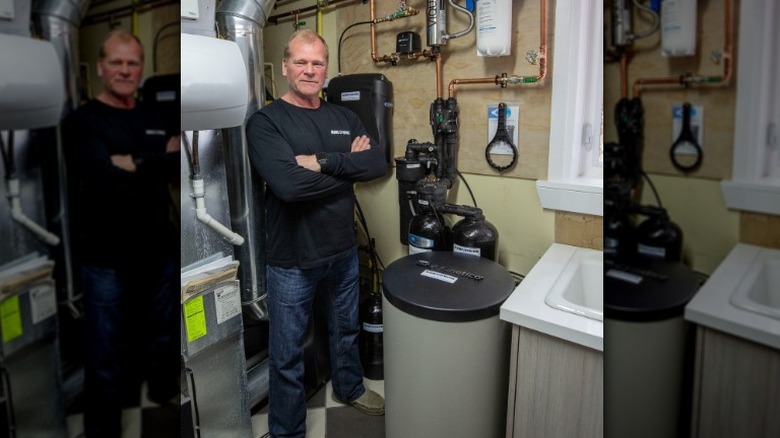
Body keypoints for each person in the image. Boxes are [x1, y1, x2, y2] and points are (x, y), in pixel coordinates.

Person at [245, 29, 387, 437]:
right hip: (292, 259)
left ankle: (349, 387)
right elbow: (288, 187)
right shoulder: (267, 121)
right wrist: (347, 169)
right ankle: (287, 430)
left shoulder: (342, 116)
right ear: (286, 66)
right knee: (286, 354)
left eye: (318, 62)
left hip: (342, 250)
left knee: (347, 330)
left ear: (327, 69)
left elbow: (376, 164)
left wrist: (321, 161)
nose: (310, 70)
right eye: (302, 62)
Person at [61, 29, 179, 437]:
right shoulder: (82, 121)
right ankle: (104, 428)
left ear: (140, 68)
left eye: (132, 63)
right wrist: (154, 162)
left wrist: (134, 162)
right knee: (106, 351)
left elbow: (176, 162)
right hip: (106, 258)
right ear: (100, 67)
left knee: (163, 335)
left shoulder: (153, 114)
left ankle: (164, 395)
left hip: (159, 252)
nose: (125, 70)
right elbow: (100, 179)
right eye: (117, 62)